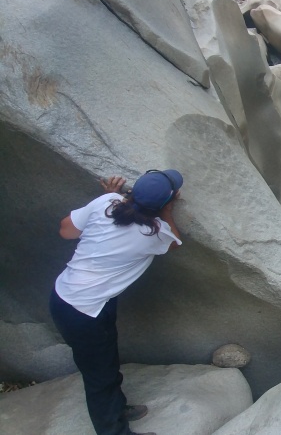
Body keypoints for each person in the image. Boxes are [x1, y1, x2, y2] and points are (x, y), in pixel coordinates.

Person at [49, 170, 183, 435]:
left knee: (106, 361)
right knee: (99, 378)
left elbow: (66, 231)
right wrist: (167, 211)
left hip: (69, 298)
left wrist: (110, 197)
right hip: (84, 312)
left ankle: (118, 407)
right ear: (166, 203)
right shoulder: (153, 234)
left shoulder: (107, 203)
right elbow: (174, 243)